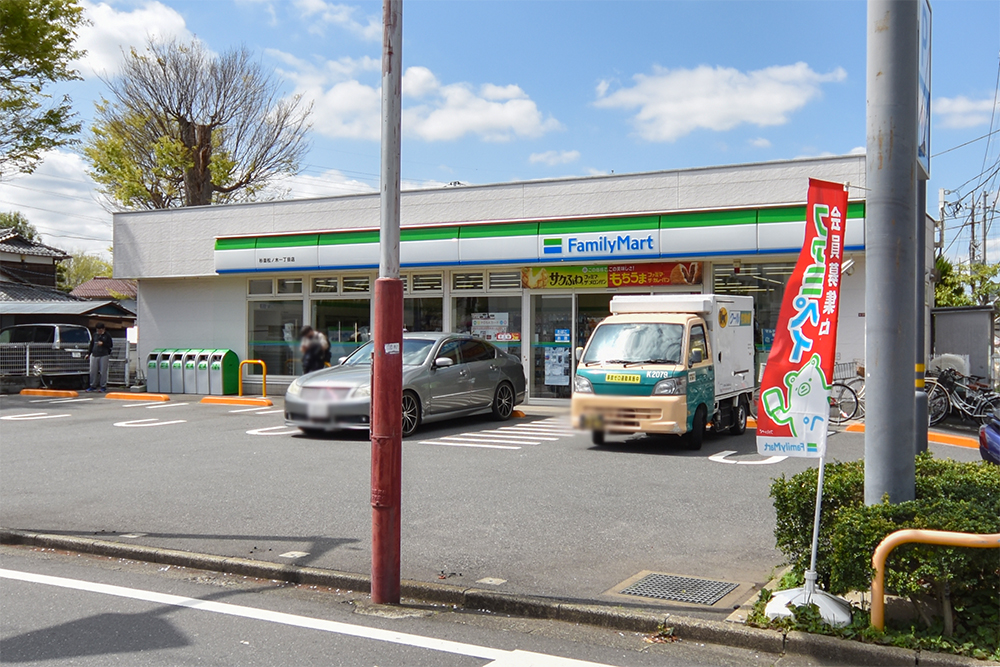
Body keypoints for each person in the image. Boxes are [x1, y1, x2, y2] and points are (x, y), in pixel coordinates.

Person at [86, 323, 113, 392]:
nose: (99, 332)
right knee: (93, 371)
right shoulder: (95, 335)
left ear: (103, 329)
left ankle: (103, 386)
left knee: (103, 371)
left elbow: (110, 345)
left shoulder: (107, 335)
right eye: (98, 330)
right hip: (94, 354)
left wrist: (103, 344)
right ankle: (92, 385)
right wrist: (88, 353)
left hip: (104, 355)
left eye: (100, 330)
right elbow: (91, 344)